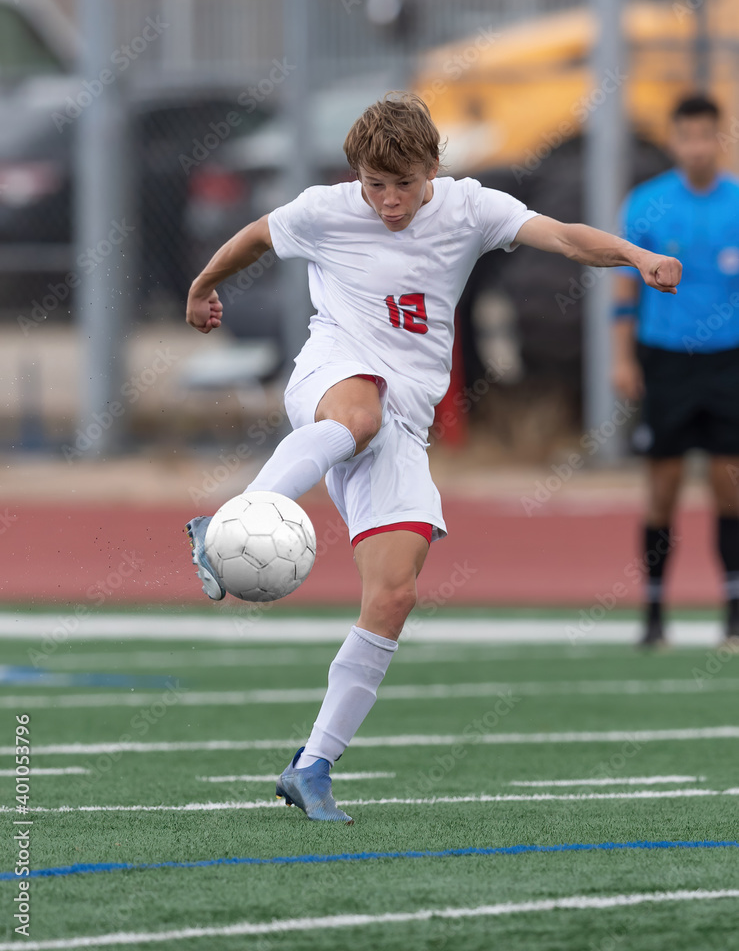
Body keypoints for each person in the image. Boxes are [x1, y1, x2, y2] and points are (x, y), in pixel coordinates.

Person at [186, 93, 681, 822]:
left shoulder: (468, 207)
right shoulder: (325, 209)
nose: (388, 201)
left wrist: (636, 256)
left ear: (433, 170)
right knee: (359, 415)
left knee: (393, 595)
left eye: (404, 184)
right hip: (334, 372)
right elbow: (254, 236)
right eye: (374, 185)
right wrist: (203, 287)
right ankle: (229, 522)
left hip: (405, 421)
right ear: (355, 175)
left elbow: (564, 237)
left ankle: (312, 766)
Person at [613, 94, 739, 648]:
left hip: (728, 362)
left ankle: (733, 615)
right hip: (664, 360)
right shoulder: (647, 203)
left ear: (720, 137)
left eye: (706, 135)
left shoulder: (736, 202)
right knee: (662, 488)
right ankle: (654, 615)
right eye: (687, 136)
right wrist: (622, 359)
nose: (697, 147)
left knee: (729, 488)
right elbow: (624, 294)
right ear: (674, 140)